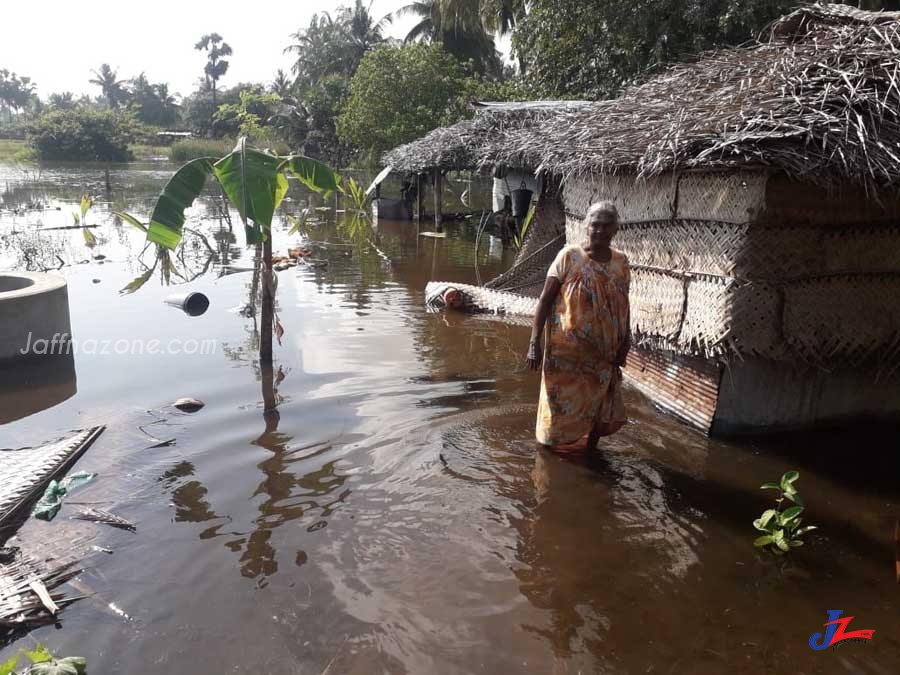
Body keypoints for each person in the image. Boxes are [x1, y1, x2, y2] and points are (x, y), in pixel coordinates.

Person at [526, 201, 631, 455]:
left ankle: (587, 452)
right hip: (564, 354)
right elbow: (545, 300)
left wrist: (626, 340)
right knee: (558, 404)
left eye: (607, 225)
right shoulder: (569, 256)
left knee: (597, 402)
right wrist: (534, 343)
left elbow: (623, 304)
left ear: (616, 229)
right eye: (595, 224)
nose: (600, 230)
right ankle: (549, 451)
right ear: (586, 227)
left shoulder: (621, 263)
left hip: (603, 353)